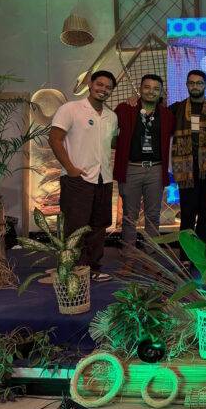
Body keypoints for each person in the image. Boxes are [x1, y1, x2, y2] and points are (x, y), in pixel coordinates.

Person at [49, 70, 119, 282]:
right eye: (100, 84)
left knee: (99, 226)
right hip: (77, 179)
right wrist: (70, 168)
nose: (103, 89)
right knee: (75, 227)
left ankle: (93, 269)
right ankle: (72, 271)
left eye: (108, 87)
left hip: (103, 179)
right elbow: (54, 139)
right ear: (90, 84)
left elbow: (111, 144)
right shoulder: (70, 109)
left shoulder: (111, 116)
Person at [113, 74, 175, 253]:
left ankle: (151, 257)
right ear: (140, 89)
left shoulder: (167, 115)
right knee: (129, 217)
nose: (151, 92)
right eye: (147, 87)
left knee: (153, 216)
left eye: (156, 89)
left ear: (161, 92)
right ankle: (129, 256)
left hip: (155, 169)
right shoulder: (125, 109)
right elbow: (111, 135)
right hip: (131, 169)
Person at [169, 70, 206, 248]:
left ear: (205, 85)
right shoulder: (176, 109)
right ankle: (186, 255)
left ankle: (201, 255)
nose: (195, 86)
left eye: (199, 83)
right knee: (187, 215)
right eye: (191, 83)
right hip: (186, 170)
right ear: (186, 85)